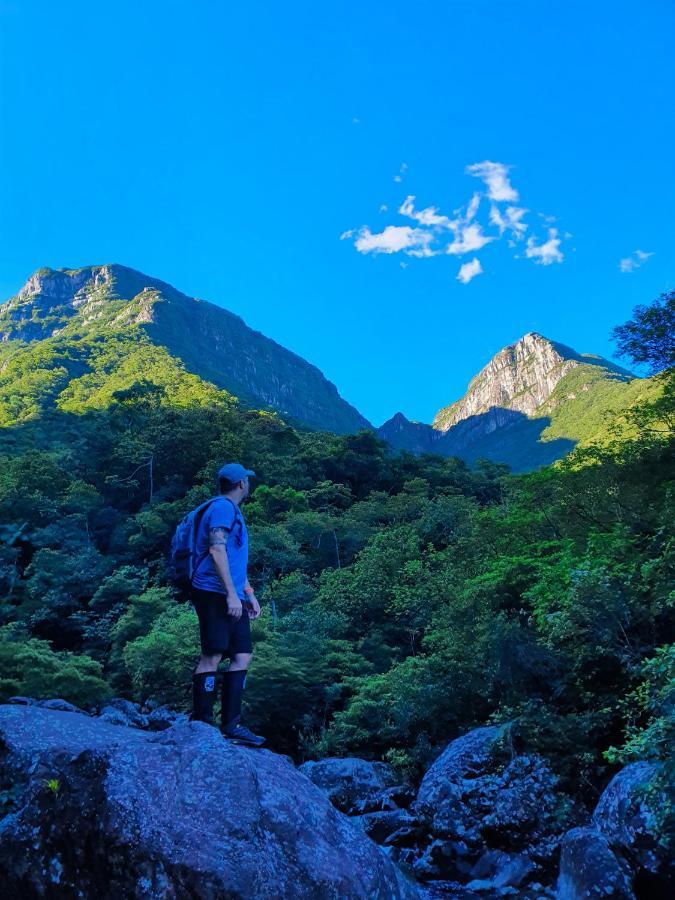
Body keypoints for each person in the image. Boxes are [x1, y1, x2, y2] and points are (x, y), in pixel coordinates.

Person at [190, 462, 265, 747]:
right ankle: (202, 723)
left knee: (242, 654)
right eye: (247, 479)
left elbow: (233, 559)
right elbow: (216, 549)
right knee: (213, 654)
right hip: (213, 591)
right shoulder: (222, 508)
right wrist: (232, 594)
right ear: (241, 484)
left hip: (233, 593)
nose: (249, 484)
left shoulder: (232, 511)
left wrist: (247, 592)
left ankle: (231, 724)